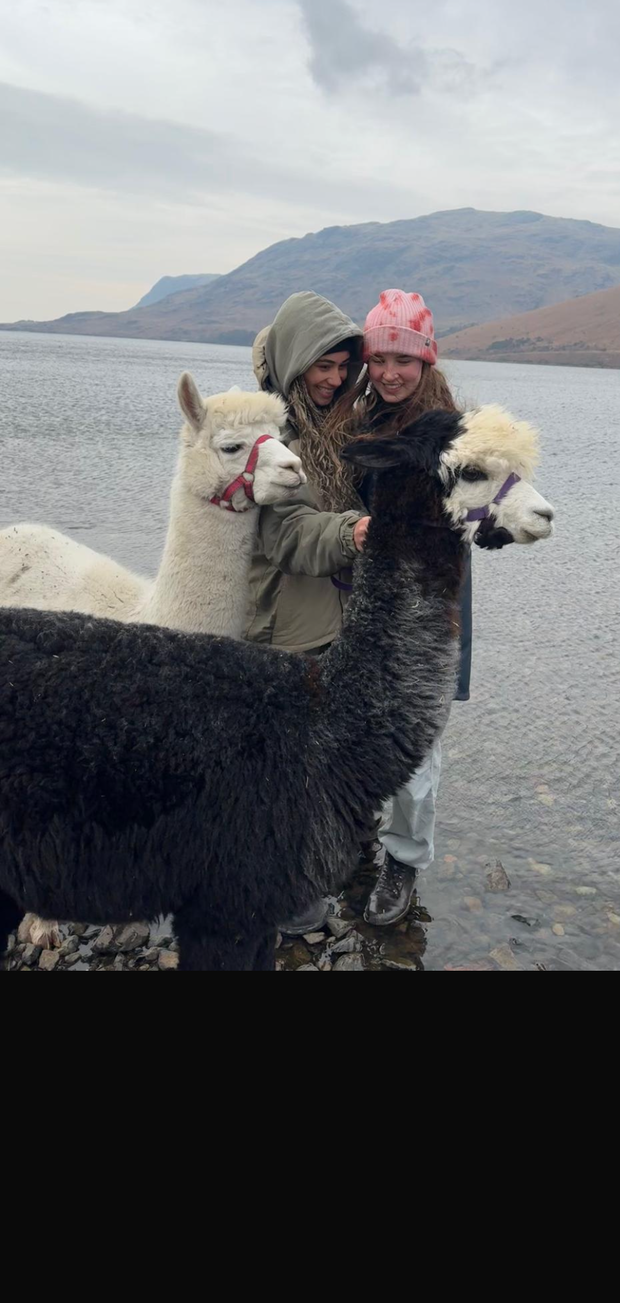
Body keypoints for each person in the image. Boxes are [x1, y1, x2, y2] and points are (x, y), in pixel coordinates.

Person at [331, 288, 472, 927]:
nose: (391, 373)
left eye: (404, 361)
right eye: (380, 359)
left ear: (427, 361)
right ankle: (354, 833)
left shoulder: (457, 436)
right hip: (364, 603)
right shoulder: (355, 421)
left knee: (416, 747)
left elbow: (495, 508)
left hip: (430, 607)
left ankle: (404, 860)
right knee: (352, 724)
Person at [247, 289, 368, 934]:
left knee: (313, 752)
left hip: (328, 619)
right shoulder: (268, 441)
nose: (335, 379)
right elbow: (287, 534)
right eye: (324, 365)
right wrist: (354, 532)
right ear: (296, 361)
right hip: (280, 625)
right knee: (280, 762)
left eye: (344, 367)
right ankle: (279, 887)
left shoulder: (334, 429)